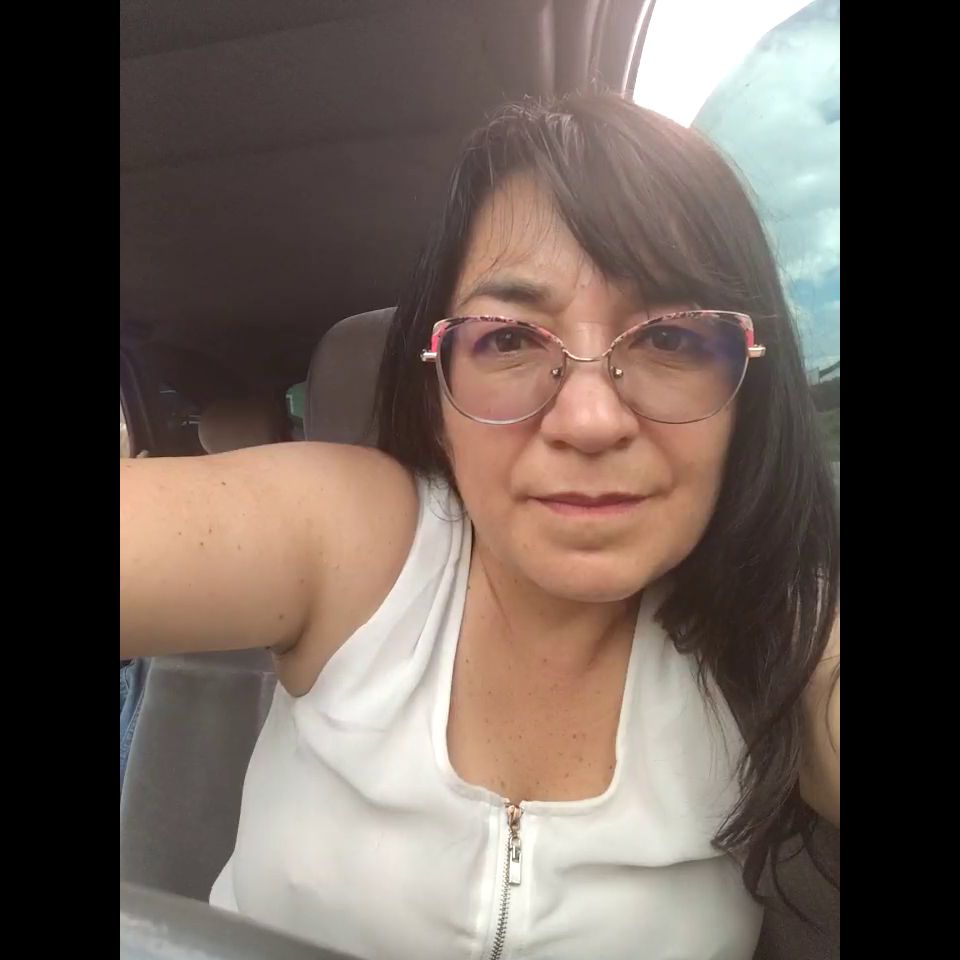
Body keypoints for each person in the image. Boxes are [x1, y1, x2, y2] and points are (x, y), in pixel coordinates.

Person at [120, 91, 839, 960]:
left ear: (745, 394)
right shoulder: (351, 537)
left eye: (673, 340)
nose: (589, 420)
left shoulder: (779, 630)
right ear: (438, 399)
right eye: (507, 341)